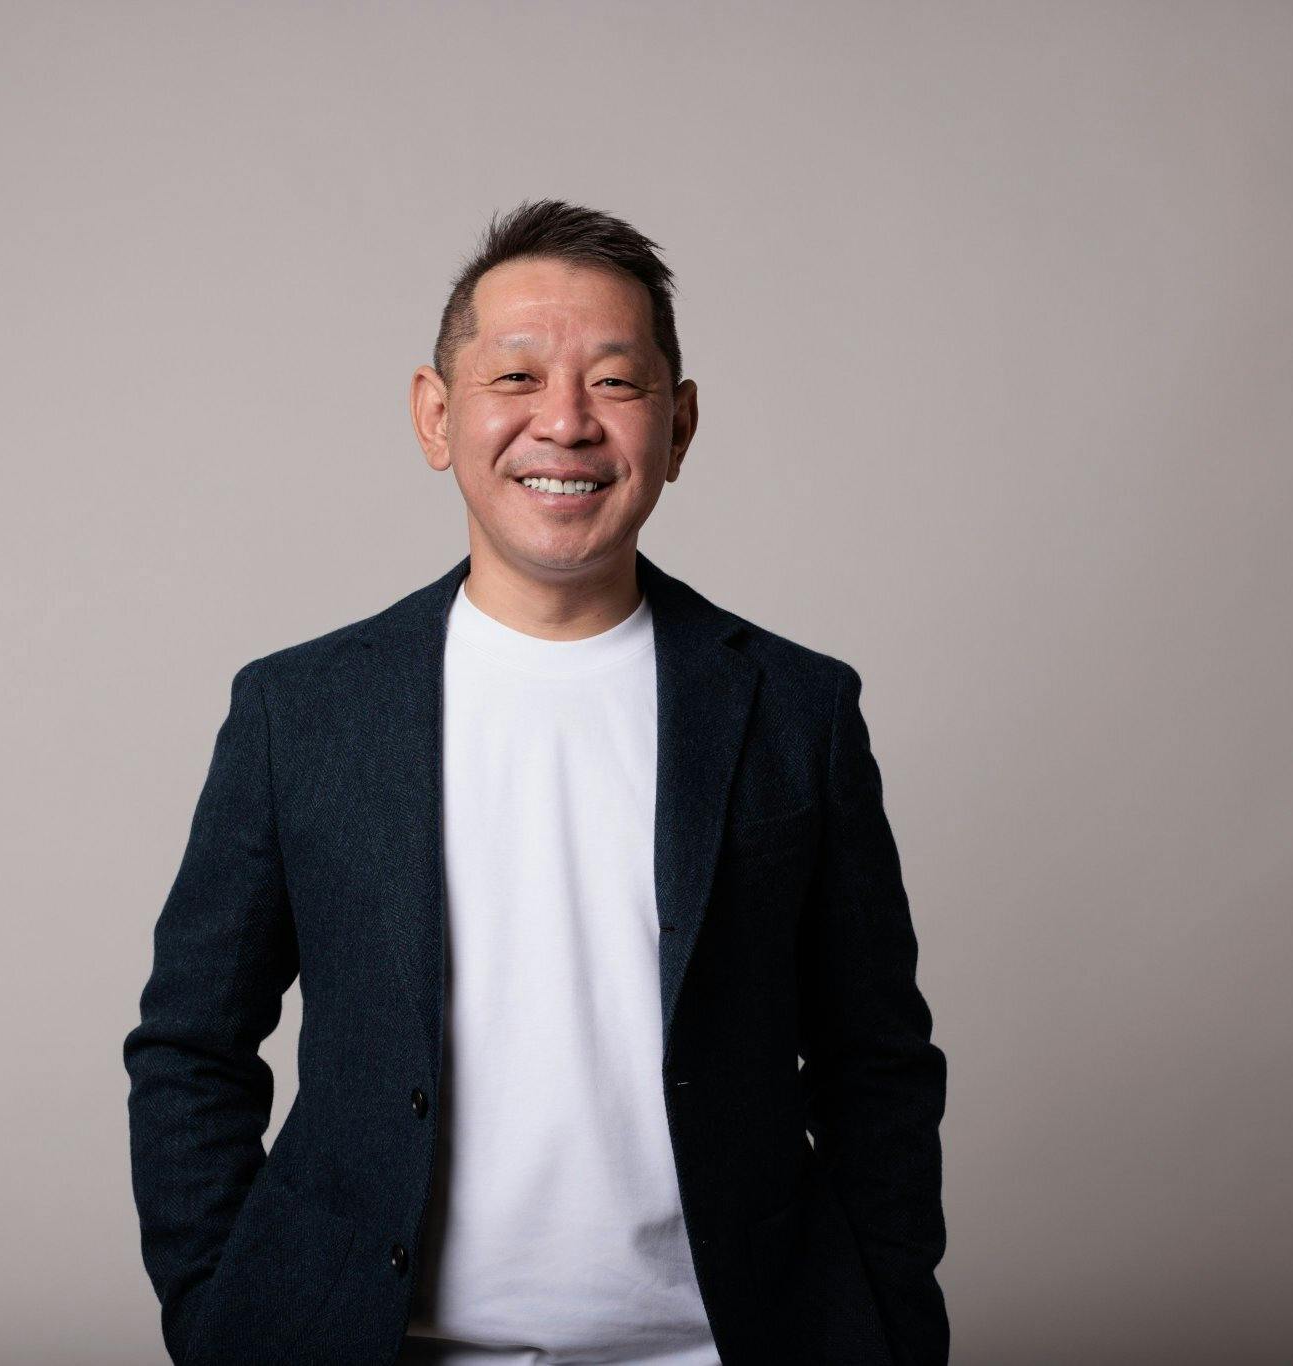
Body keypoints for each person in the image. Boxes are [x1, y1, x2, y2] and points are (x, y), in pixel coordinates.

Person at [123, 199, 948, 1366]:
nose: (563, 423)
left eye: (614, 382)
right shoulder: (299, 712)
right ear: (435, 414)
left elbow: (876, 1063)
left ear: (678, 425)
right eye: (515, 377)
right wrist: (222, 1320)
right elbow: (189, 1048)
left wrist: (888, 1327)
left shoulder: (794, 710)